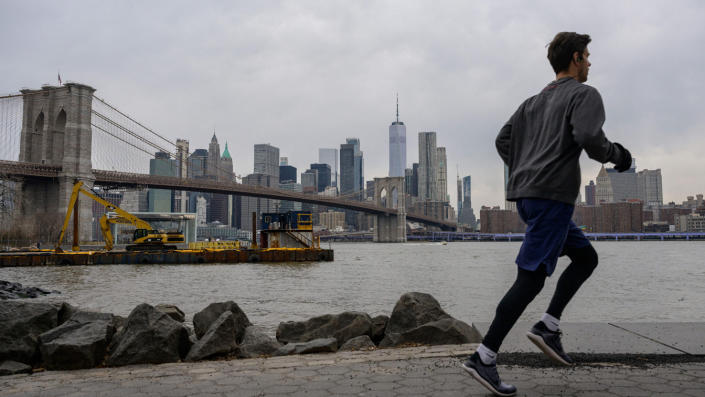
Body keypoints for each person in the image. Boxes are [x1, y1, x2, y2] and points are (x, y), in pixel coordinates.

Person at [461, 32, 632, 397]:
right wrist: (618, 155)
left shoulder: (531, 103)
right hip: (552, 197)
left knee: (586, 257)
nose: (590, 62)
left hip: (529, 196)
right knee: (531, 278)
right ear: (574, 58)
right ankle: (484, 356)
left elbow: (502, 141)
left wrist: (526, 168)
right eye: (587, 56)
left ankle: (548, 325)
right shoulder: (585, 94)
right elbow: (589, 135)